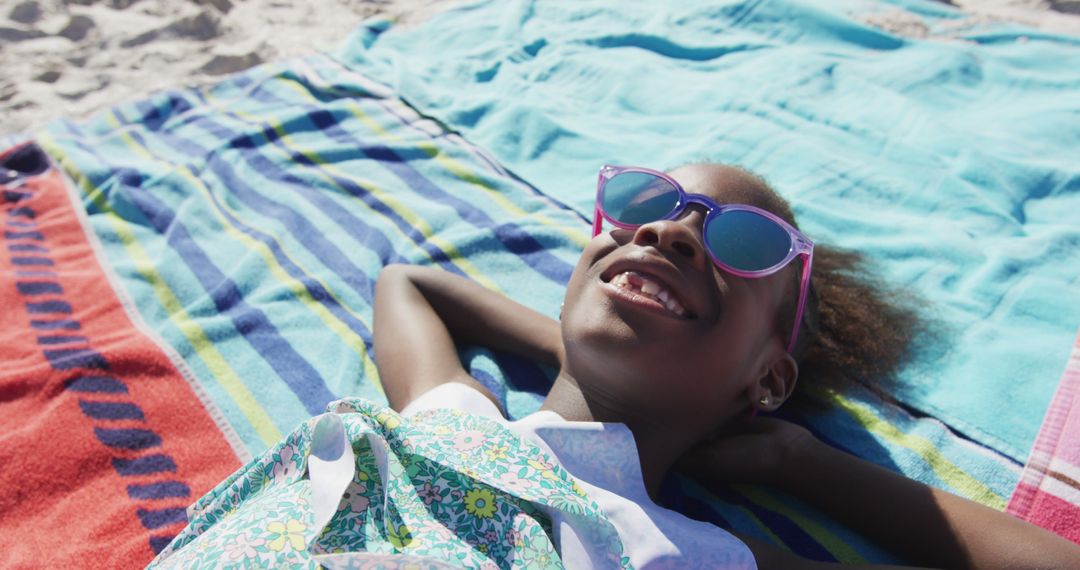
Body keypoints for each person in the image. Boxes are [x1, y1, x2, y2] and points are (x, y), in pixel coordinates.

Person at [151, 163, 1080, 569]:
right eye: (646, 203)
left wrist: (789, 457)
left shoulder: (696, 554)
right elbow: (410, 284)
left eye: (743, 241)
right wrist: (594, 359)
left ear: (770, 378)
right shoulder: (456, 418)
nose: (670, 228)